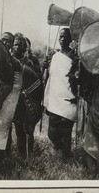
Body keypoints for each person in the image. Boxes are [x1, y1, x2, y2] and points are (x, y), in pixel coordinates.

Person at [43, 28, 77, 160]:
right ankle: (66, 152)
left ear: (70, 40)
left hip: (69, 98)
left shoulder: (74, 57)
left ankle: (66, 158)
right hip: (55, 98)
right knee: (52, 133)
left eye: (65, 37)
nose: (62, 39)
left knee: (66, 131)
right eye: (60, 37)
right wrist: (45, 67)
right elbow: (51, 78)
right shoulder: (55, 56)